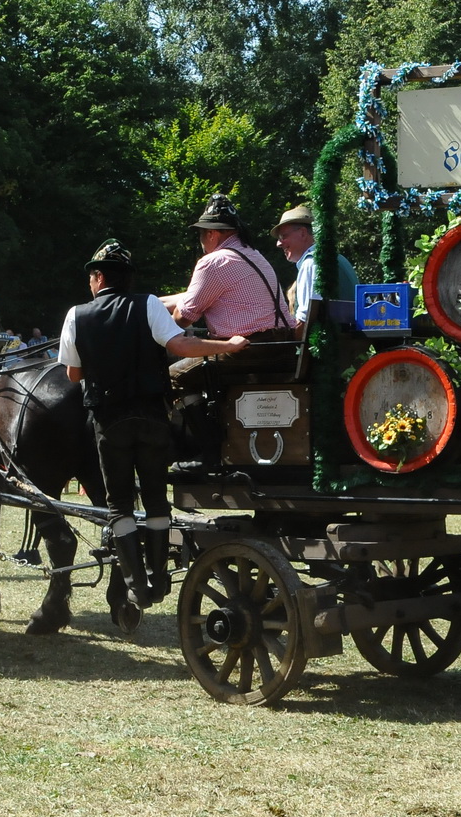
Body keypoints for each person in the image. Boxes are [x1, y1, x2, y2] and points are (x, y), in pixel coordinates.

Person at [60, 239, 248, 608]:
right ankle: (159, 579)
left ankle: (135, 586)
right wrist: (226, 344)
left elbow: (72, 374)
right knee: (156, 499)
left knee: (119, 506)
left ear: (98, 278)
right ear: (127, 278)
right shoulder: (147, 304)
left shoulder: (76, 315)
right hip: (150, 417)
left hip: (109, 422)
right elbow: (180, 346)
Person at [160, 194, 294, 339]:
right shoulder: (255, 255)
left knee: (175, 361)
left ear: (211, 233)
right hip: (281, 346)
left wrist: (156, 326)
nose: (201, 241)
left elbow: (183, 318)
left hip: (246, 352)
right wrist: (155, 302)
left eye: (201, 234)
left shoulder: (214, 262)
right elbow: (195, 297)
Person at [272, 203, 359, 319]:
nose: (278, 244)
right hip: (350, 336)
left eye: (283, 236)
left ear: (303, 233)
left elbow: (306, 320)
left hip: (330, 337)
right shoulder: (340, 259)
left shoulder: (311, 262)